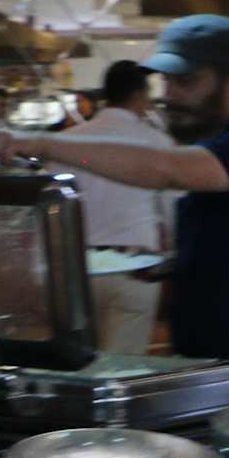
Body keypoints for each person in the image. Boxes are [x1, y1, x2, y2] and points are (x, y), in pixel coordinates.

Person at [0, 15, 229, 404]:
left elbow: (165, 170)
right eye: (166, 81)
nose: (170, 95)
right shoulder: (219, 145)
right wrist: (170, 266)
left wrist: (42, 144)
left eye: (186, 82)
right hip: (223, 374)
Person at [54, 60, 175, 353]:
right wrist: (171, 258)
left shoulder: (66, 143)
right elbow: (172, 208)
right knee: (122, 367)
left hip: (76, 272)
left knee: (77, 362)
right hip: (135, 269)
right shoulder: (157, 142)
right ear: (139, 95)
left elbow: (53, 207)